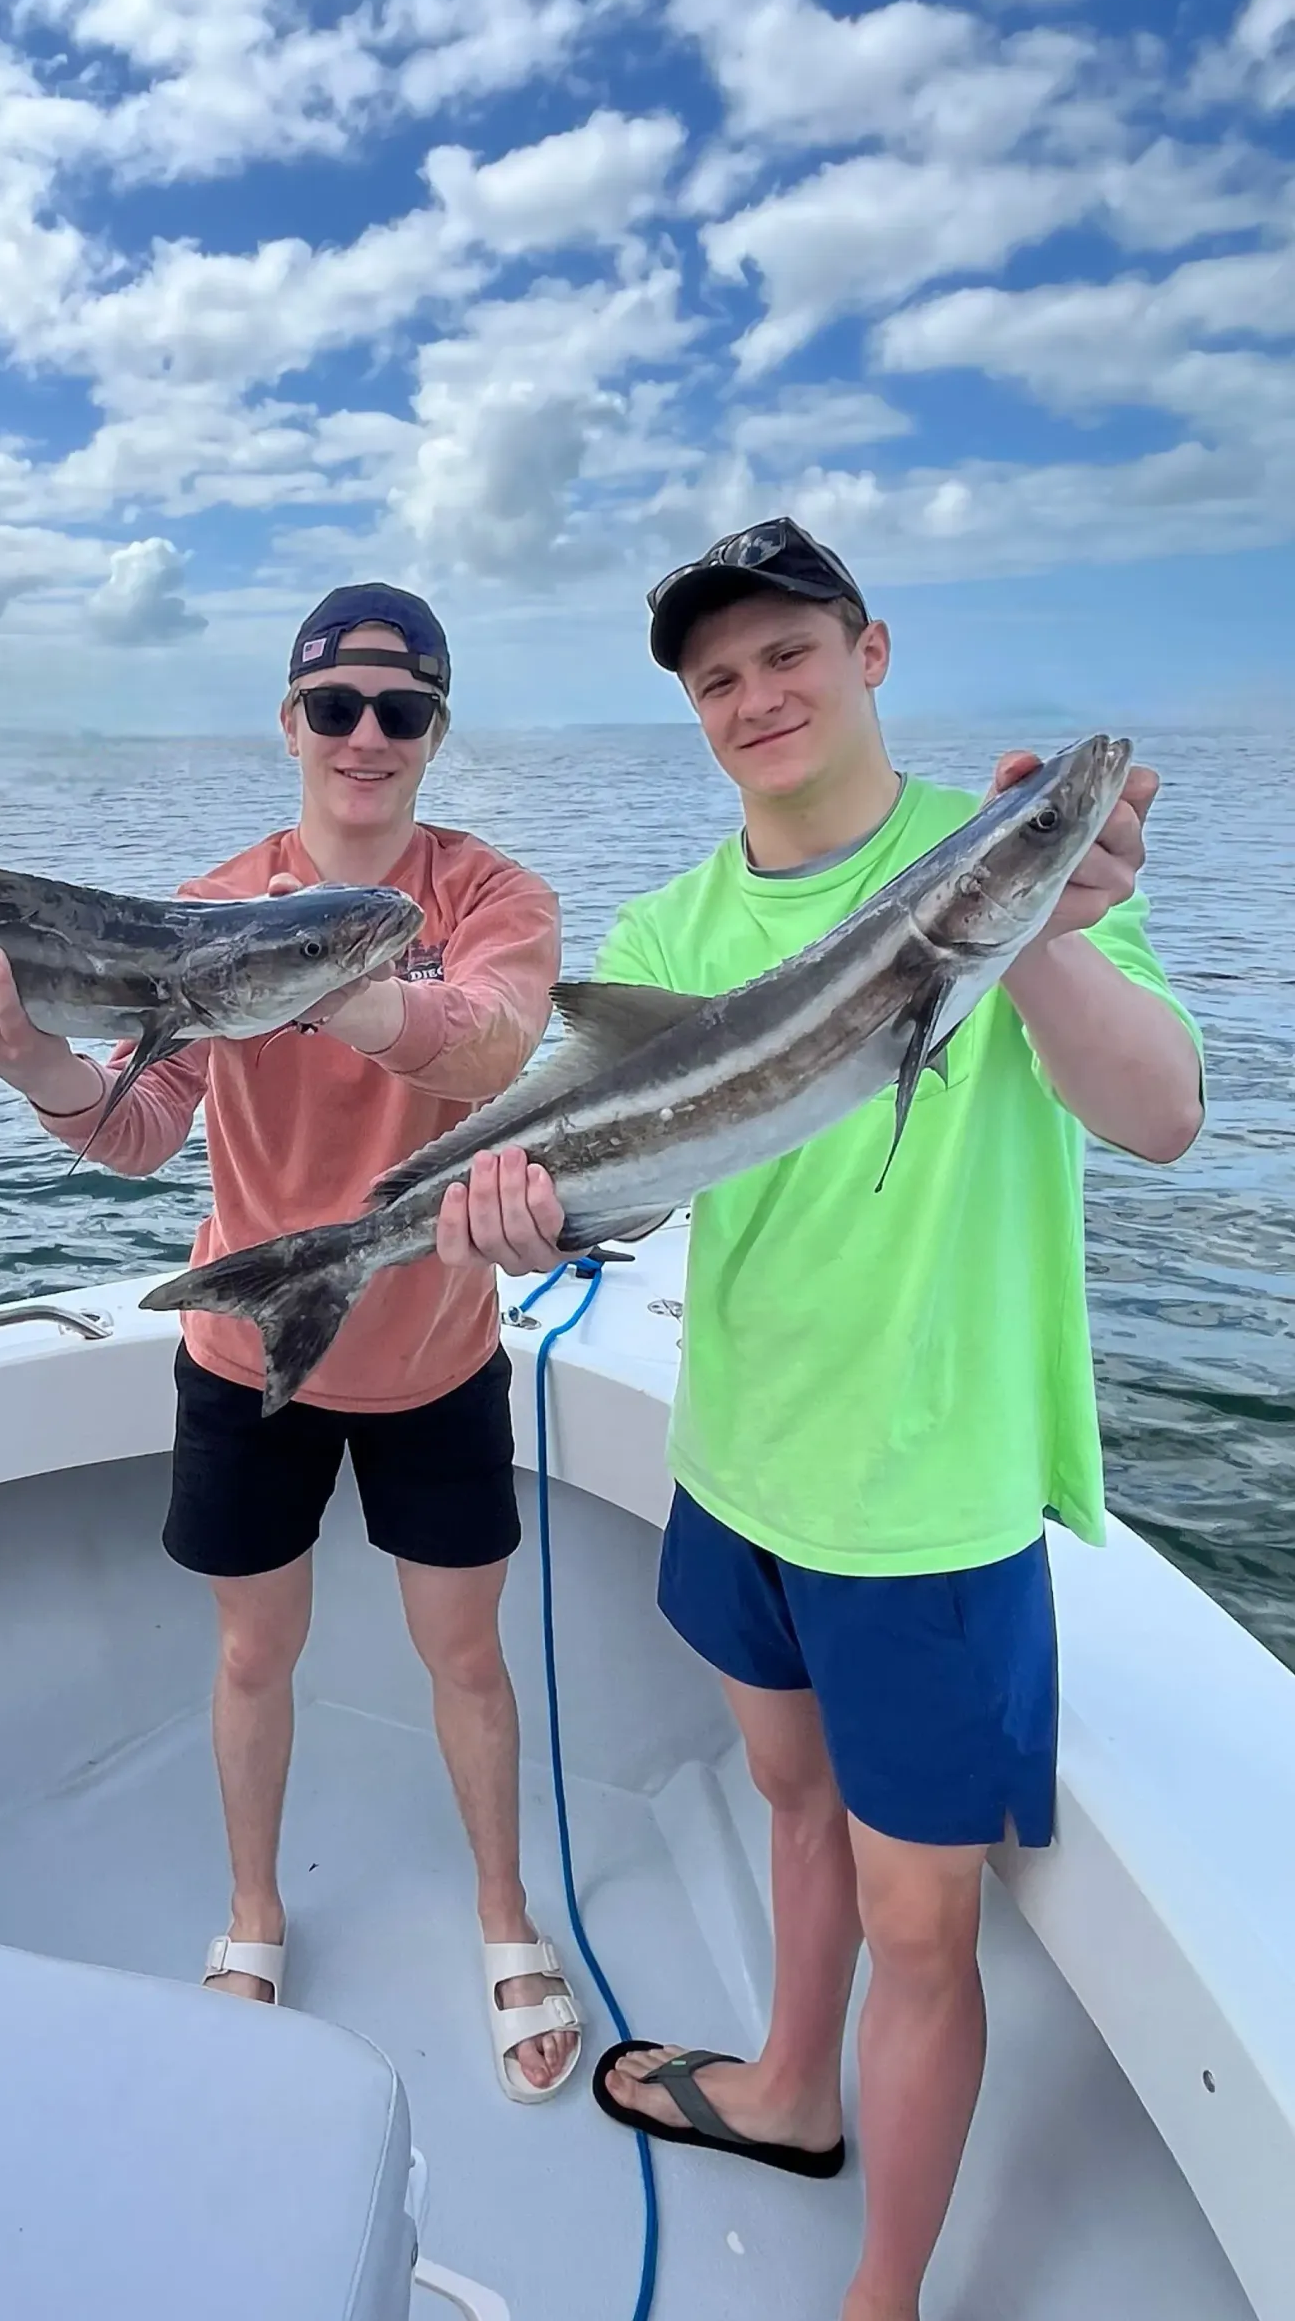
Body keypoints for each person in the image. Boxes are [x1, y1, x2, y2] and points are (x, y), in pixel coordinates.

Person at [435, 518, 1204, 2317]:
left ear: (870, 651)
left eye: (787, 653)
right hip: (741, 1460)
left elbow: (1162, 1115)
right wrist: (523, 1211)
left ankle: (882, 2296)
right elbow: (607, 1174)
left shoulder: (1021, 869)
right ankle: (788, 2092)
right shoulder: (669, 932)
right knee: (786, 1793)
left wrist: (1029, 927)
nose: (754, 696)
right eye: (717, 678)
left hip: (928, 1508)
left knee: (927, 1927)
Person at [0, 584, 585, 2102]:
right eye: (334, 705)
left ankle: (503, 1912)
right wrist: (25, 1056)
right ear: (289, 721)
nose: (364, 736)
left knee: (462, 1654)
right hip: (244, 1350)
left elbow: (490, 1050)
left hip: (436, 1352)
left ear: (435, 735)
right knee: (253, 1654)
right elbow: (142, 1131)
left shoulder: (491, 898)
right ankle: (255, 1911)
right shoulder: (202, 912)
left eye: (400, 712)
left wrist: (322, 979)